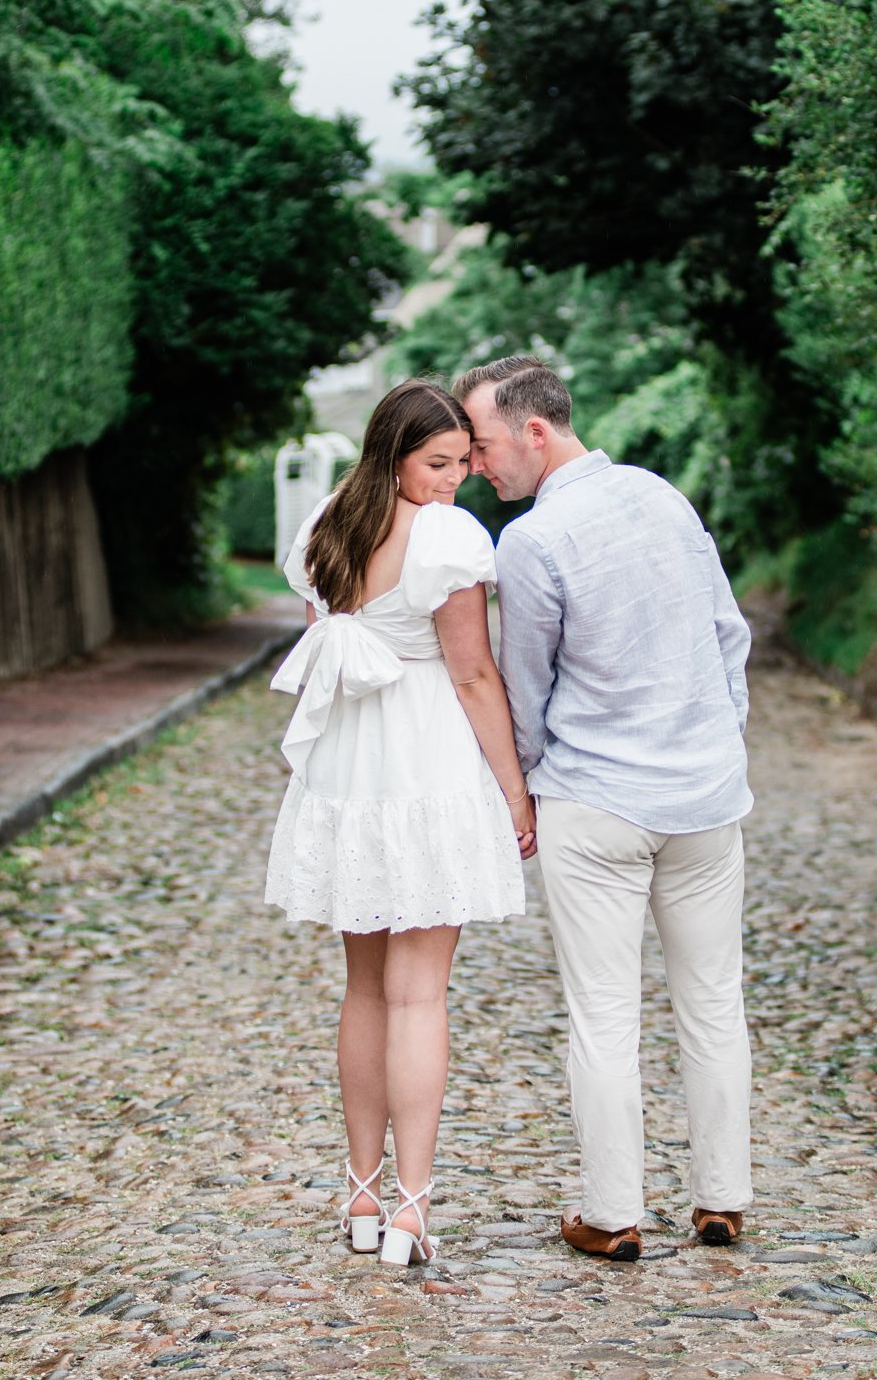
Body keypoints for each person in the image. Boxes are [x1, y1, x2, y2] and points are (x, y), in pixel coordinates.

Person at [456, 354, 754, 1262]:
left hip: (598, 803)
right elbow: (728, 635)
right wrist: (715, 740)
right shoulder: (664, 496)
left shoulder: (533, 542)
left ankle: (614, 1212)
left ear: (534, 433)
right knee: (712, 1000)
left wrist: (533, 790)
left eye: (483, 445)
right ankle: (722, 1201)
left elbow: (526, 686)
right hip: (705, 797)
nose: (477, 466)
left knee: (602, 1012)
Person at [263, 379, 536, 1268]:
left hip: (350, 771)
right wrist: (514, 789)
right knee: (419, 994)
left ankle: (360, 1196)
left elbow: (334, 650)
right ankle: (411, 1208)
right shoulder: (447, 539)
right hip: (425, 765)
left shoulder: (326, 529)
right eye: (438, 463)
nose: (456, 480)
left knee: (365, 989)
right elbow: (472, 676)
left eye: (464, 462)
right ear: (394, 454)